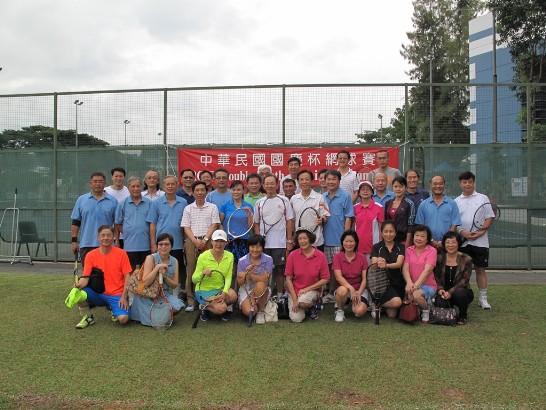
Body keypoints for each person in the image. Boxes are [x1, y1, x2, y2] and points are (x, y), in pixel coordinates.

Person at [74, 225, 132, 329]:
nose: (106, 238)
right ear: (98, 237)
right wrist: (78, 285)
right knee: (76, 293)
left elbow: (127, 277)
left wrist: (123, 297)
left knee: (123, 319)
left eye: (109, 235)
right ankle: (87, 317)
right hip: (98, 293)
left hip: (117, 294)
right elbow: (86, 277)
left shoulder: (122, 254)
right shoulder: (90, 255)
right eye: (103, 235)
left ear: (113, 237)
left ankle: (113, 308)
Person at [455, 171, 495, 310]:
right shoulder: (456, 201)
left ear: (473, 182)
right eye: (464, 182)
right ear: (460, 184)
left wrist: (480, 232)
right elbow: (456, 222)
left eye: (470, 182)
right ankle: (461, 296)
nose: (467, 184)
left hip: (480, 242)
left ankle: (483, 299)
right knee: (461, 271)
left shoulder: (483, 198)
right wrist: (463, 232)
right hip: (463, 241)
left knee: (480, 270)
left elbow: (490, 216)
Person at [130, 232, 185, 326]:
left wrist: (165, 276)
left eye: (167, 244)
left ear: (171, 246)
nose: (163, 247)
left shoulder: (174, 261)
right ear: (157, 246)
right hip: (148, 294)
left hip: (165, 294)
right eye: (161, 244)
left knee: (177, 307)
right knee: (160, 320)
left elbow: (174, 284)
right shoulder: (150, 258)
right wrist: (156, 268)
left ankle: (162, 314)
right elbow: (146, 282)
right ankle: (161, 316)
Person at [253, 174, 295, 298]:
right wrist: (259, 240)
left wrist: (289, 240)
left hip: (280, 243)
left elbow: (289, 221)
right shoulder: (259, 203)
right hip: (264, 245)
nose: (270, 186)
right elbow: (256, 223)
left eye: (272, 183)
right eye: (267, 183)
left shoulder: (284, 200)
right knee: (263, 271)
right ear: (263, 185)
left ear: (277, 185)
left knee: (279, 270)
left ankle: (280, 296)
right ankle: (265, 294)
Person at [181, 180, 220, 312]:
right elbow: (186, 226)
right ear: (192, 192)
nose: (200, 192)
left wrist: (205, 240)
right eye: (197, 190)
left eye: (202, 190)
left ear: (206, 191)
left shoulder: (212, 207)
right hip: (192, 241)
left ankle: (206, 299)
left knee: (208, 269)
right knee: (191, 271)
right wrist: (194, 240)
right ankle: (191, 301)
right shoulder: (188, 208)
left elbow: (214, 225)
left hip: (208, 242)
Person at [146, 175, 187, 297]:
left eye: (172, 184)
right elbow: (152, 224)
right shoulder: (156, 203)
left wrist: (185, 240)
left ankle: (178, 292)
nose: (170, 186)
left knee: (178, 268)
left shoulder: (183, 202)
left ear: (177, 186)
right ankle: (160, 292)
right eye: (167, 184)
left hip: (178, 242)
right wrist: (153, 243)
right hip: (162, 244)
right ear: (163, 187)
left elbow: (185, 224)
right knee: (160, 268)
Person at [71, 172, 118, 267]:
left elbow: (116, 223)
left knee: (108, 274)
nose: (97, 184)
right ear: (90, 183)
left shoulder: (113, 201)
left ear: (105, 184)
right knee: (88, 275)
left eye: (100, 181)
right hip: (87, 244)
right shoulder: (81, 200)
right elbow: (76, 222)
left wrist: (116, 241)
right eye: (95, 181)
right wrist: (74, 241)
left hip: (107, 243)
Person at [321, 169, 354, 304]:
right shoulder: (322, 197)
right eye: (328, 179)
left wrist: (344, 239)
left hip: (339, 240)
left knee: (340, 268)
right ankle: (330, 292)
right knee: (329, 267)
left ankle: (341, 293)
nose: (330, 182)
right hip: (324, 239)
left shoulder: (345, 196)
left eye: (334, 179)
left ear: (339, 181)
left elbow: (348, 218)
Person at [284, 228, 330, 322]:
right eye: (300, 239)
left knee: (303, 302)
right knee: (296, 319)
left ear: (310, 239)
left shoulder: (320, 255)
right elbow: (288, 278)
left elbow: (326, 278)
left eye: (305, 238)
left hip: (312, 290)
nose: (302, 241)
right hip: (294, 291)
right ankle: (298, 304)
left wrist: (306, 289)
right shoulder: (292, 255)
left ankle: (312, 305)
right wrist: (294, 299)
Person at [192, 229, 238, 322]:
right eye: (216, 241)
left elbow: (228, 277)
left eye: (222, 241)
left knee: (233, 296)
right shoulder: (203, 256)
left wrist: (224, 293)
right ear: (212, 242)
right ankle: (205, 307)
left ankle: (212, 305)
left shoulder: (230, 256)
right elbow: (194, 279)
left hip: (219, 289)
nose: (219, 244)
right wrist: (202, 273)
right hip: (203, 291)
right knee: (222, 308)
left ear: (226, 243)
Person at [434, 231, 474, 325]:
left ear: (458, 243)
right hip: (444, 291)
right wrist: (440, 289)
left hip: (461, 291)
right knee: (441, 303)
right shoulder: (439, 258)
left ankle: (463, 315)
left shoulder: (466, 259)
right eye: (448, 242)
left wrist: (450, 292)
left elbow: (465, 280)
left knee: (459, 293)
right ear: (444, 244)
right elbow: (435, 276)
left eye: (453, 242)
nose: (450, 245)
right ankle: (451, 310)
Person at [402, 224, 438, 323]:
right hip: (412, 284)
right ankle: (420, 308)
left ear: (427, 239)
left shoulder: (432, 251)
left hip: (428, 285)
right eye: (417, 235)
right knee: (411, 294)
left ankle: (426, 310)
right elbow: (405, 268)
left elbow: (427, 271)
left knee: (416, 295)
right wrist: (409, 283)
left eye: (422, 236)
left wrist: (416, 285)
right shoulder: (409, 250)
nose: (419, 238)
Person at [114, 176, 151, 270]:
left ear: (142, 187)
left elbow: (153, 223)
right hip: (129, 246)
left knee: (146, 271)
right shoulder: (122, 204)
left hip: (146, 245)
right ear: (128, 188)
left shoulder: (150, 203)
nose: (136, 189)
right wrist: (120, 238)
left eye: (138, 186)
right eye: (133, 186)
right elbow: (117, 223)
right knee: (129, 271)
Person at [332, 230, 369, 322]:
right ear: (342, 242)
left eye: (351, 241)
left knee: (358, 312)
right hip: (346, 288)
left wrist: (358, 292)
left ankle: (356, 303)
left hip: (359, 289)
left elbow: (365, 278)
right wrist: (351, 288)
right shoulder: (337, 257)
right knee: (341, 291)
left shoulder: (362, 257)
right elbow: (338, 277)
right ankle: (340, 310)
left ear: (356, 243)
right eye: (346, 241)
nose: (348, 244)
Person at [236, 235, 274, 325]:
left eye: (258, 246)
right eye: (252, 246)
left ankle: (261, 311)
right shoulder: (242, 261)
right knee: (250, 312)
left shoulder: (268, 259)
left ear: (262, 247)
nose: (255, 250)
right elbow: (240, 283)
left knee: (261, 285)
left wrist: (250, 275)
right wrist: (246, 275)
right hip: (246, 289)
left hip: (262, 288)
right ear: (248, 247)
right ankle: (251, 306)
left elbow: (265, 279)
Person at [370, 220, 405, 318]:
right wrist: (378, 263)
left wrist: (386, 265)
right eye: (386, 231)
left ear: (395, 233)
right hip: (382, 283)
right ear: (381, 233)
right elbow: (373, 266)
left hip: (398, 282)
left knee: (392, 315)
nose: (388, 234)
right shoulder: (377, 247)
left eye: (391, 231)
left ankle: (379, 303)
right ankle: (375, 303)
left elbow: (399, 264)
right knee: (397, 302)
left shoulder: (400, 247)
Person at [415, 175, 461, 249]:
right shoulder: (423, 204)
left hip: (447, 246)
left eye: (440, 183)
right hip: (427, 245)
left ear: (444, 185)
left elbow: (454, 224)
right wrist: (430, 240)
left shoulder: (452, 204)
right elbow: (420, 225)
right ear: (430, 185)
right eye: (435, 184)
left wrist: (445, 240)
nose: (438, 186)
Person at [290, 170, 330, 251]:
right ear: (298, 182)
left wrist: (322, 220)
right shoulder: (294, 199)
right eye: (301, 179)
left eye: (307, 179)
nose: (304, 182)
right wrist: (291, 237)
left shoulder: (319, 198)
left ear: (311, 181)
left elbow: (325, 215)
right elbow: (292, 220)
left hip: (316, 241)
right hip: (300, 241)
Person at [220, 180, 254, 263]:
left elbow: (250, 226)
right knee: (230, 268)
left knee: (243, 267)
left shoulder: (248, 206)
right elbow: (220, 223)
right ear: (230, 190)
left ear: (243, 191)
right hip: (228, 241)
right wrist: (224, 236)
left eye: (239, 190)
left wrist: (249, 215)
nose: (236, 192)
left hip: (244, 240)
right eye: (234, 190)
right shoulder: (225, 205)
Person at [353, 180, 384, 259]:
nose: (365, 191)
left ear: (372, 192)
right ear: (359, 193)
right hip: (357, 247)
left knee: (372, 271)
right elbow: (353, 227)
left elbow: (381, 229)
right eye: (363, 189)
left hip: (373, 248)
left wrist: (381, 246)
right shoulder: (355, 208)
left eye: (368, 189)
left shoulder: (379, 207)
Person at [384, 176, 415, 245]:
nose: (398, 189)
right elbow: (385, 222)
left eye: (401, 186)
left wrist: (407, 243)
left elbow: (411, 225)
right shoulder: (388, 203)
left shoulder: (409, 203)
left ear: (406, 188)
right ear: (392, 188)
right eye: (395, 186)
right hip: (389, 239)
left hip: (403, 239)